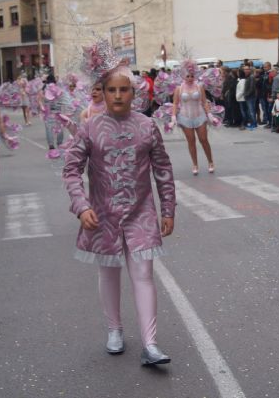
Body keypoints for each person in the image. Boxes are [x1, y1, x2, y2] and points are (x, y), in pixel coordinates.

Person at [63, 52, 176, 366]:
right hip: (103, 215)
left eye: (123, 89)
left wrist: (168, 209)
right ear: (102, 91)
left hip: (141, 213)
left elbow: (163, 170)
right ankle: (114, 330)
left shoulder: (147, 126)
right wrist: (81, 206)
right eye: (111, 90)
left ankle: (151, 344)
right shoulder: (89, 128)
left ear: (133, 92)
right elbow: (71, 170)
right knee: (109, 272)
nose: (116, 95)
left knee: (143, 274)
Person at [171, 60, 215, 174]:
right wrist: (173, 117)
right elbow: (175, 103)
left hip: (200, 116)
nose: (190, 78)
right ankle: (195, 164)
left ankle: (210, 161)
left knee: (204, 140)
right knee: (191, 141)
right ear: (183, 76)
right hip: (185, 118)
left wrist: (209, 114)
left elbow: (204, 102)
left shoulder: (199, 86)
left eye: (192, 76)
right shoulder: (179, 88)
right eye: (188, 76)